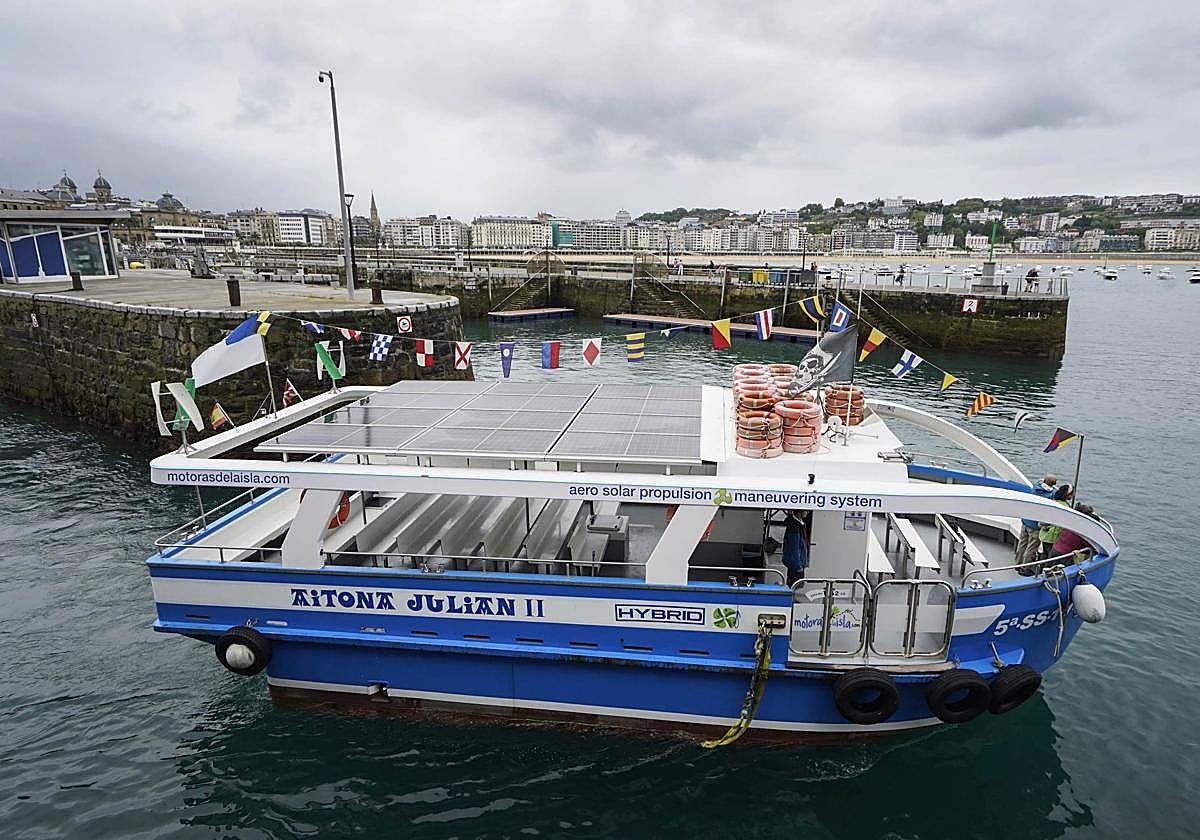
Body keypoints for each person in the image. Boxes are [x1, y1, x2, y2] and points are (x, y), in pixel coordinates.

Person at [1016, 474, 1057, 574]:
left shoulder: (1035, 488)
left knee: (1022, 543)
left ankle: (1018, 563)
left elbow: (1040, 482)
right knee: (1032, 548)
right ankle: (1025, 568)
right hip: (1035, 525)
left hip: (1026, 520)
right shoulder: (1051, 495)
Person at [1037, 484, 1074, 564]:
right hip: (1053, 537)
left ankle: (1040, 568)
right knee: (1050, 559)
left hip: (1044, 534)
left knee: (1044, 555)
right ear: (1068, 495)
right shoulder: (1065, 507)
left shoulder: (1052, 502)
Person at [782, 510, 810, 586]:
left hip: (797, 563)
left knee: (795, 584)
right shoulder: (794, 527)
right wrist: (798, 566)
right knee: (794, 585)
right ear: (799, 512)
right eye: (806, 511)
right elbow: (794, 548)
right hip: (796, 564)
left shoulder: (798, 524)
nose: (807, 512)